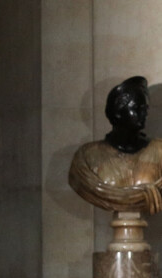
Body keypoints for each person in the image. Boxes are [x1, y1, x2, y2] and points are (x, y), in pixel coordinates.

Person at [69, 76, 162, 214]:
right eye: (137, 108)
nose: (144, 114)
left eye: (145, 108)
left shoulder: (159, 150)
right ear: (118, 112)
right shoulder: (87, 157)